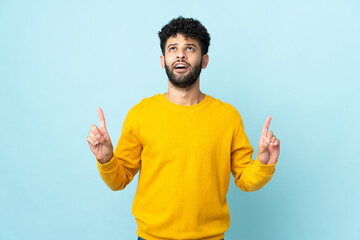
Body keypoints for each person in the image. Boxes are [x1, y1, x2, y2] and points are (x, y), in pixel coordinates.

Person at [87, 16, 280, 240]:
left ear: (204, 60)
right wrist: (106, 159)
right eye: (173, 48)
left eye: (190, 48)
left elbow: (246, 179)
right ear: (163, 60)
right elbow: (118, 180)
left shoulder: (228, 117)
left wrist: (264, 164)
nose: (181, 54)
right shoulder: (141, 114)